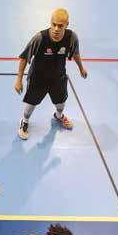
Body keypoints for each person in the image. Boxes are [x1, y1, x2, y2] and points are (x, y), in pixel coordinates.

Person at [14, 8, 87, 140]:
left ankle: (58, 116)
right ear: (50, 22)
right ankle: (24, 121)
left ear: (67, 25)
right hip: (38, 78)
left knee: (61, 103)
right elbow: (24, 58)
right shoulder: (40, 38)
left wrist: (81, 68)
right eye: (54, 24)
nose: (56, 29)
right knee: (31, 103)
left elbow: (75, 53)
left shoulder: (71, 38)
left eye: (60, 26)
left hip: (58, 77)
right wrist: (18, 80)